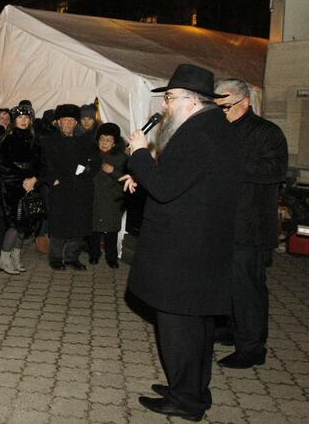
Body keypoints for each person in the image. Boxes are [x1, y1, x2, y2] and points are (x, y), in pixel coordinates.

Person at [121, 64, 242, 421]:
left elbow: (166, 187)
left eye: (171, 98)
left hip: (184, 251)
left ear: (191, 101)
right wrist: (142, 173)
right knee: (197, 327)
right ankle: (192, 389)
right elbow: (184, 181)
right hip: (199, 247)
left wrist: (140, 153)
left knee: (179, 327)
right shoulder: (212, 128)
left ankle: (185, 401)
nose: (165, 106)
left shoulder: (198, 134)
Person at [213, 78, 288, 368]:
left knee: (248, 289)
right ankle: (233, 329)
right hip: (223, 223)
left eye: (226, 106)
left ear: (245, 103)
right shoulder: (222, 130)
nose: (221, 112)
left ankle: (252, 348)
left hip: (251, 226)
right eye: (217, 107)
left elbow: (274, 170)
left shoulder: (267, 133)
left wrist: (232, 165)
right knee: (227, 284)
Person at [40, 104, 99, 270]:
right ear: (59, 122)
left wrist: (87, 169)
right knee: (59, 226)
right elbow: (43, 164)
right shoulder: (48, 141)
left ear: (75, 123)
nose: (68, 124)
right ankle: (56, 258)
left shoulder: (85, 140)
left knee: (79, 226)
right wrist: (52, 180)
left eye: (71, 121)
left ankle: (72, 257)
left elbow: (95, 160)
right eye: (65, 121)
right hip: (60, 189)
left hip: (81, 189)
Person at [0, 105, 44, 274]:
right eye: (20, 117)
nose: (23, 120)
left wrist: (35, 179)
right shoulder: (6, 139)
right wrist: (23, 179)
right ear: (14, 120)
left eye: (26, 117)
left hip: (30, 187)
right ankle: (4, 259)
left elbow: (41, 164)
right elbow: (3, 166)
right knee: (14, 225)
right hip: (12, 188)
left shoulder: (35, 139)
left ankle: (15, 257)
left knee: (25, 224)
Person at [88, 122, 127, 268]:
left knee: (111, 230)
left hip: (113, 199)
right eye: (102, 139)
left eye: (108, 140)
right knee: (93, 229)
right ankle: (94, 254)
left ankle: (111, 258)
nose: (104, 143)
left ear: (115, 142)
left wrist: (113, 172)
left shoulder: (122, 158)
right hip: (94, 197)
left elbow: (127, 180)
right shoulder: (92, 155)